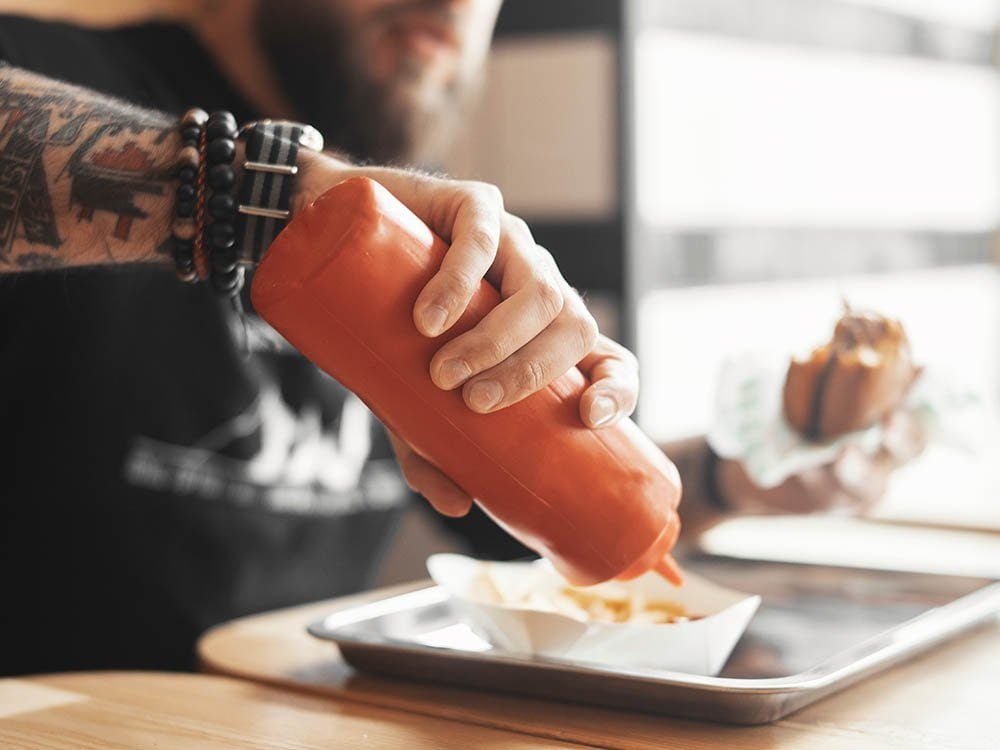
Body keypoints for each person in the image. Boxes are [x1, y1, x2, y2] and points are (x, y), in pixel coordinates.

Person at [0, 0, 914, 676]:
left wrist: (727, 476)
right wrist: (261, 194)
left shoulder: (407, 214)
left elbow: (500, 528)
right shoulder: (46, 66)